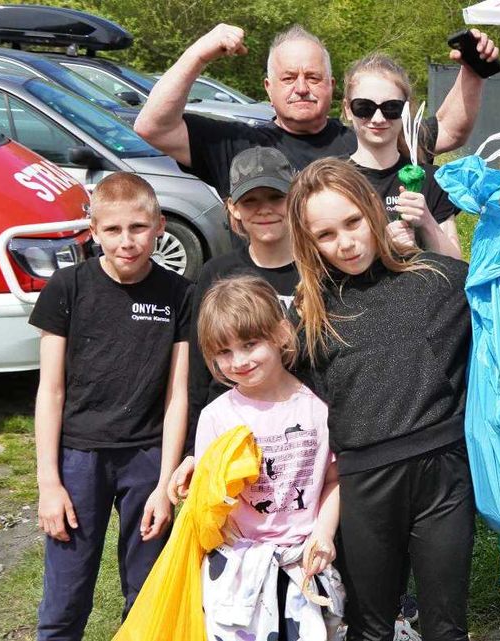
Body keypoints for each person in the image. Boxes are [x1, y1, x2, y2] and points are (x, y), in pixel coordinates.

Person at [287, 158, 475, 641]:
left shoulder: (439, 279)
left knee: (446, 627)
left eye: (353, 223)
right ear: (308, 242)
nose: (346, 243)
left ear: (374, 210)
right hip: (363, 486)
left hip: (444, 476)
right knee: (370, 628)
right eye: (326, 235)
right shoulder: (311, 315)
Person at [29, 172, 191, 639]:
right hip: (79, 459)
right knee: (65, 595)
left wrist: (165, 483)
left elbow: (177, 393)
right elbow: (50, 390)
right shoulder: (67, 287)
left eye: (138, 228)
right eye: (113, 230)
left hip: (147, 459)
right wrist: (48, 483)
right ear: (93, 230)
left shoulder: (179, 294)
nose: (127, 242)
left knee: (147, 592)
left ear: (159, 225)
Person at [135, 23, 500, 198]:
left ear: (330, 86)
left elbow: (448, 130)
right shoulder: (236, 144)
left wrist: (473, 70)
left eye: (313, 77)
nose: (301, 87)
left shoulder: (370, 137)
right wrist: (200, 52)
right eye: (288, 77)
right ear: (268, 88)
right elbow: (153, 126)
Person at [193, 276, 343, 640]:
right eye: (224, 352)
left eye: (249, 344)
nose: (239, 361)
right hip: (239, 569)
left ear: (280, 334)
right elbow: (207, 501)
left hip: (305, 561)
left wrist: (323, 533)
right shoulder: (216, 417)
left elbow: (335, 480)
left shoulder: (318, 407)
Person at [171, 147, 300, 502]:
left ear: (295, 197)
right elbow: (200, 368)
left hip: (300, 431)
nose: (264, 209)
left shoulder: (319, 267)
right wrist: (192, 449)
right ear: (233, 208)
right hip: (233, 432)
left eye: (275, 196)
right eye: (250, 200)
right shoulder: (218, 273)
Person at [343, 53, 461, 259]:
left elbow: (455, 263)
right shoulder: (333, 180)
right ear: (347, 109)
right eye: (364, 107)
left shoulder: (432, 179)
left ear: (406, 110)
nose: (378, 118)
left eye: (391, 108)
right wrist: (382, 246)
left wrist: (426, 221)